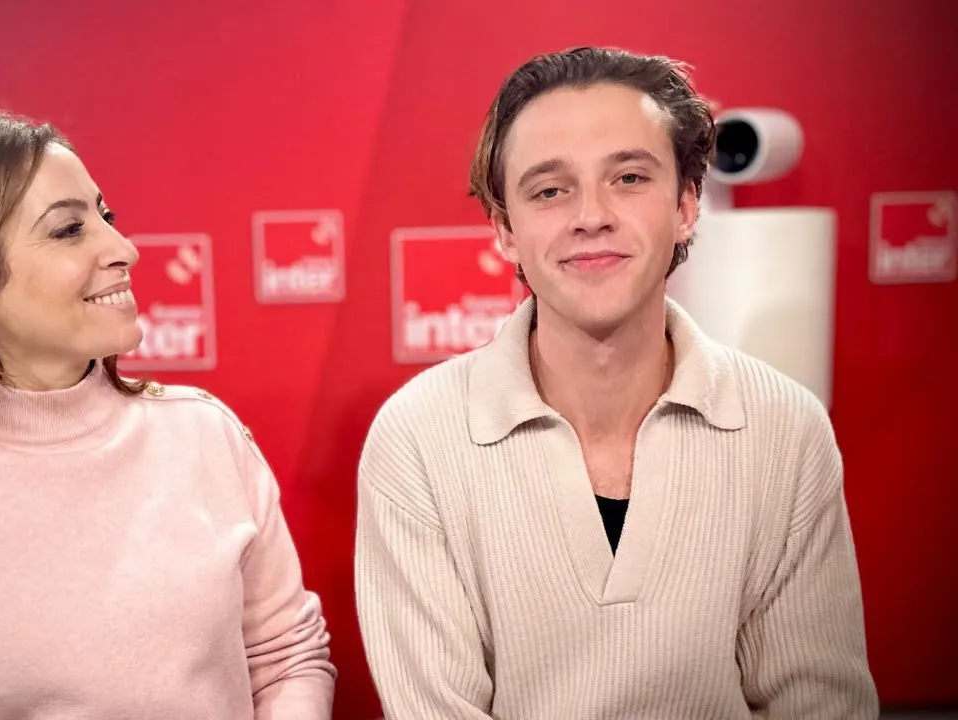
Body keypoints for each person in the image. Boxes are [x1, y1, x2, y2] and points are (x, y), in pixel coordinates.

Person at [353, 47, 877, 719]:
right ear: (505, 230)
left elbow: (821, 704)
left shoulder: (785, 428)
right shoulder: (417, 441)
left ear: (686, 205)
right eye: (550, 190)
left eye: (629, 178)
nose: (591, 214)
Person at [0, 93, 336, 719]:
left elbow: (286, 660)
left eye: (106, 216)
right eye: (70, 229)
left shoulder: (205, 434)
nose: (124, 248)